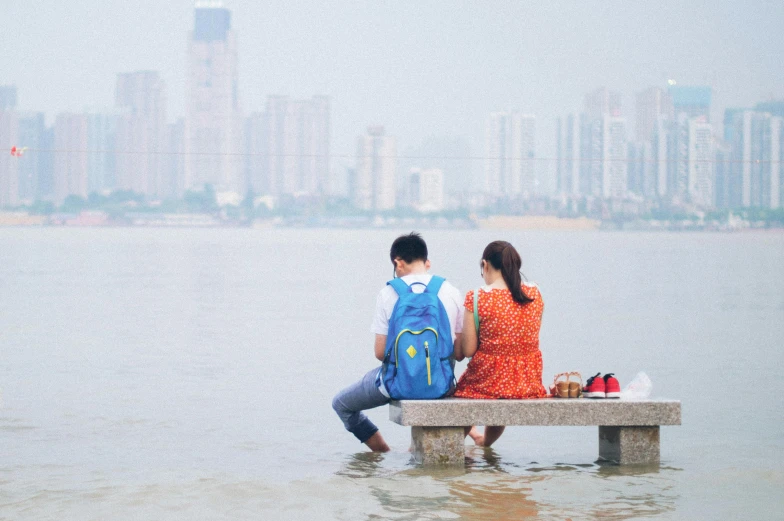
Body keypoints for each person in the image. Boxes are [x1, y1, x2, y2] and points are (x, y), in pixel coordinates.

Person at [332, 232, 464, 452]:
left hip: (395, 384)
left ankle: (383, 454)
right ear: (426, 260)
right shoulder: (450, 291)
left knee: (341, 404)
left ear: (397, 262)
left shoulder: (388, 293)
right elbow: (459, 353)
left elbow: (380, 351)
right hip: (441, 385)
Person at [453, 240, 546, 447]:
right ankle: (484, 443)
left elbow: (468, 350)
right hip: (526, 381)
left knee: (466, 389)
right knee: (495, 392)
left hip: (489, 379)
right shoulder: (535, 293)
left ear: (485, 265)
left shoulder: (477, 297)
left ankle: (455, 443)